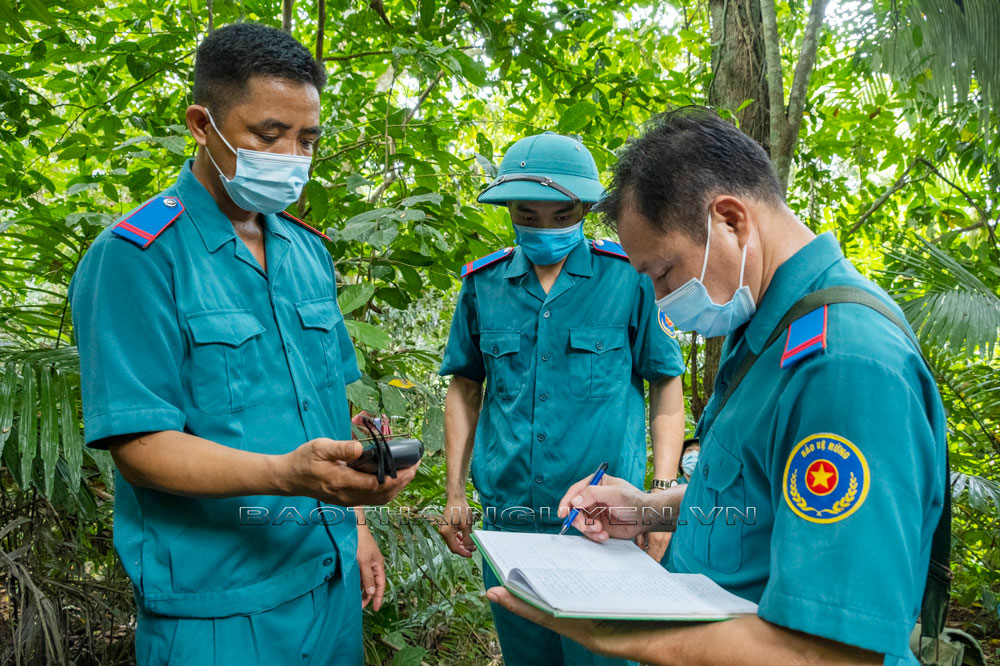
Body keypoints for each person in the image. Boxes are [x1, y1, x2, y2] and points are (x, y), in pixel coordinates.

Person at [486, 107, 947, 666]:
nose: (660, 302)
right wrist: (650, 509)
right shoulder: (763, 332)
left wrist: (616, 632)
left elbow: (832, 655)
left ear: (729, 220)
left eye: (662, 273)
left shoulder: (845, 364)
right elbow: (756, 493)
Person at [68, 23, 415, 665]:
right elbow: (138, 445)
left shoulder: (306, 252)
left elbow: (328, 398)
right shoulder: (137, 258)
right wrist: (283, 474)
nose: (290, 156)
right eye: (268, 135)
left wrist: (358, 524)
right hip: (216, 605)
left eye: (306, 139)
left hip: (327, 581)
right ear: (204, 124)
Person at [438, 131, 686, 666]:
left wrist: (661, 500)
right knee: (527, 656)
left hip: (604, 521)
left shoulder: (627, 277)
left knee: (604, 659)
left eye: (560, 214)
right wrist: (455, 491)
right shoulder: (483, 284)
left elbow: (666, 382)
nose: (545, 227)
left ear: (584, 207)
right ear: (509, 210)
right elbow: (464, 386)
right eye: (527, 214)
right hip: (510, 522)